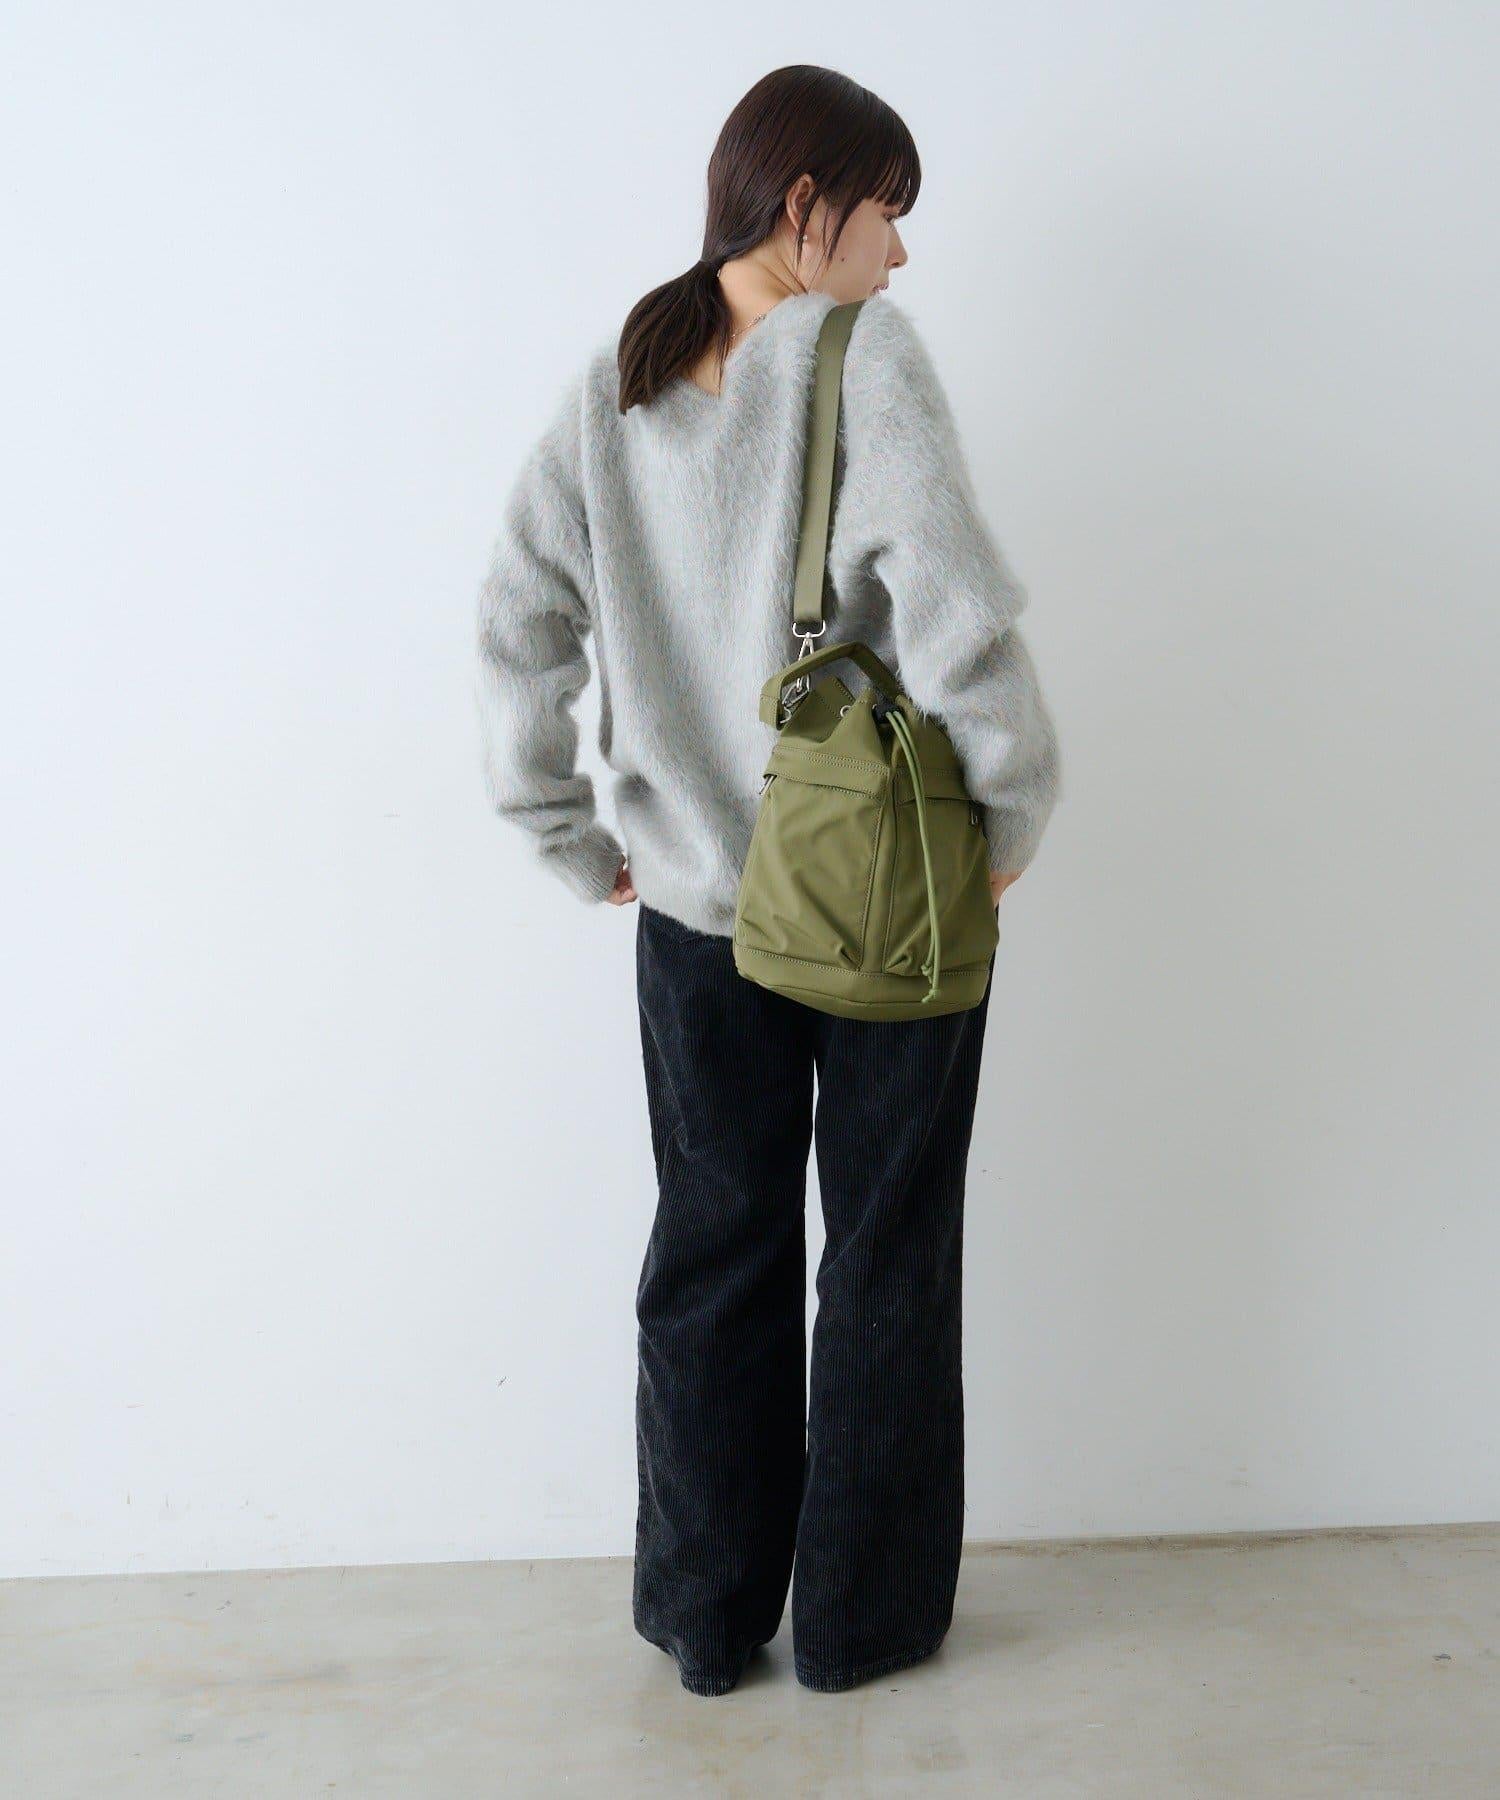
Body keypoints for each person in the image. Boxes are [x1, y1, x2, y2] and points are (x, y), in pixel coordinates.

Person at [474, 64, 1062, 1697]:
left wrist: (563, 826)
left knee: (712, 1248)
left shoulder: (618, 378)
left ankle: (707, 1615)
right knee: (883, 1251)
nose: (899, 253)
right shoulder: (862, 358)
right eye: (887, 213)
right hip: (878, 898)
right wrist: (1011, 815)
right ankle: (862, 1625)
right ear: (806, 207)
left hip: (685, 908)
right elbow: (955, 614)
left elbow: (516, 618)